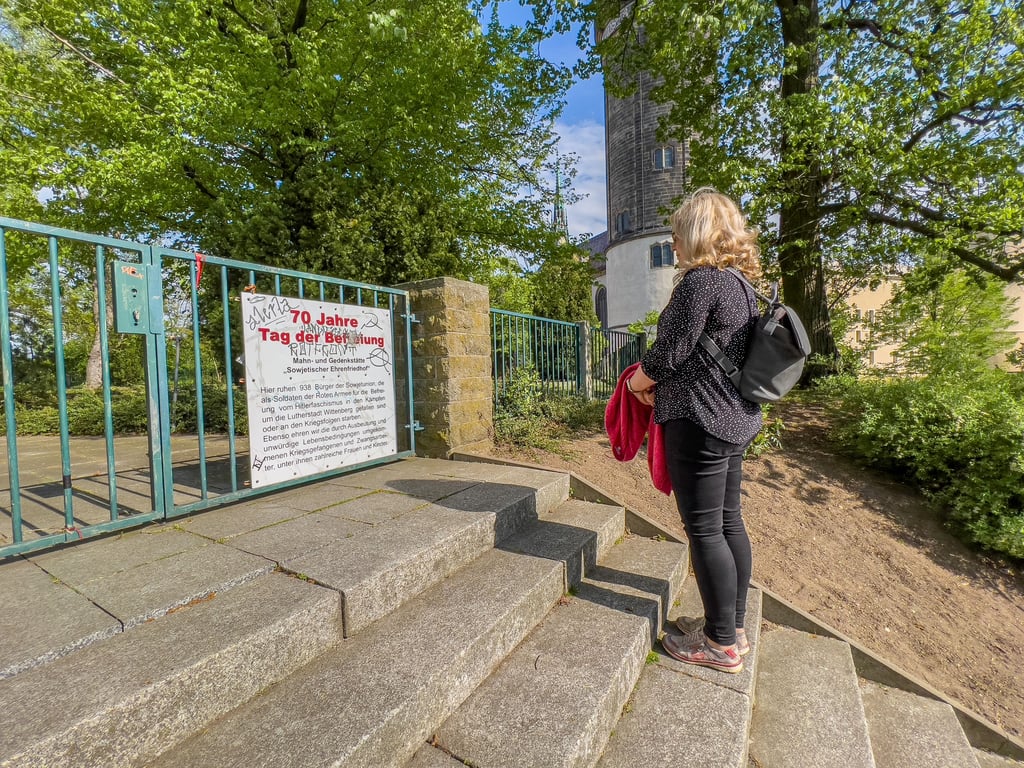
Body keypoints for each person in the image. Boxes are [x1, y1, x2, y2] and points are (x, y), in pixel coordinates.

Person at [626, 187, 763, 674]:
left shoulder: (700, 283)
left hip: (700, 419)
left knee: (705, 530)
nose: (674, 242)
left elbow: (668, 354)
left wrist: (637, 383)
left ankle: (720, 643)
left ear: (697, 234)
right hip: (734, 419)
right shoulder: (741, 285)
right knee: (729, 523)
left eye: (678, 233)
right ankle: (734, 628)